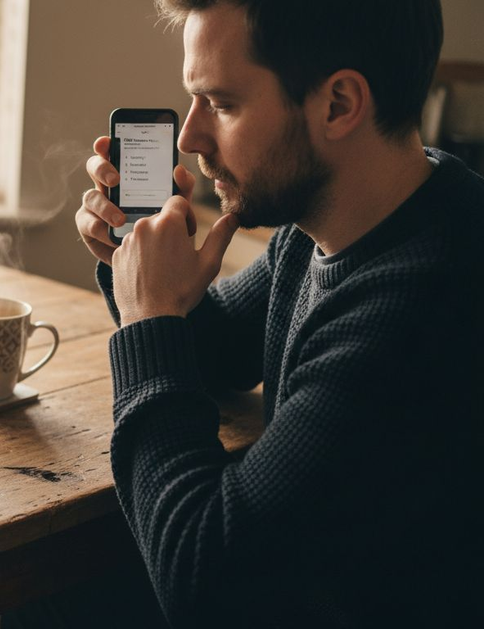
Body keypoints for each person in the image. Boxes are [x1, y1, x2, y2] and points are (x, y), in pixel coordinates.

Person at [73, 0, 484, 627]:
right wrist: (133, 262)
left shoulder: (420, 306)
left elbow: (203, 577)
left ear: (339, 104)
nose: (190, 137)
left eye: (222, 104)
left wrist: (151, 317)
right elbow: (219, 352)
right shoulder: (339, 217)